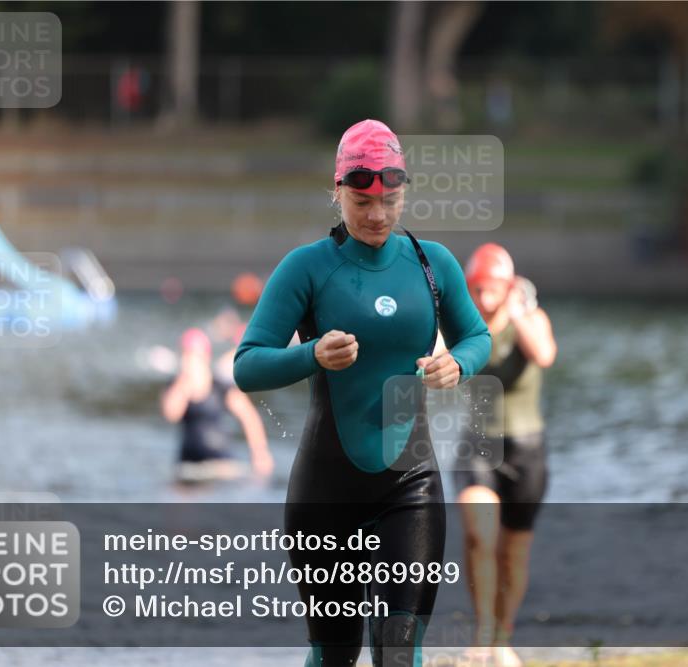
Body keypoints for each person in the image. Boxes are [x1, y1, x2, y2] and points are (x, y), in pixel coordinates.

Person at [233, 119, 491, 667]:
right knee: (336, 655)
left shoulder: (431, 264)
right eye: (361, 200)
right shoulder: (306, 268)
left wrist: (459, 364)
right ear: (338, 192)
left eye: (389, 200)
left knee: (399, 652)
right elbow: (247, 366)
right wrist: (311, 355)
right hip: (326, 492)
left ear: (402, 193)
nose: (376, 215)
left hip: (411, 484)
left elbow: (477, 336)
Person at [454, 243, 556, 667]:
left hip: (527, 449)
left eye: (492, 288)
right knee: (480, 535)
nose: (484, 297)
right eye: (476, 289)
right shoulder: (464, 327)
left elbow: (545, 355)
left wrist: (516, 312)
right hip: (478, 447)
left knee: (514, 552)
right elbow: (437, 349)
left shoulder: (530, 320)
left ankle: (502, 636)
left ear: (509, 286)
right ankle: (481, 635)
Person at [162, 328, 273, 482]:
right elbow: (171, 415)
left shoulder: (220, 386)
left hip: (220, 462)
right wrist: (183, 386)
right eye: (186, 355)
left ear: (205, 358)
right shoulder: (177, 386)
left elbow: (249, 417)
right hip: (188, 463)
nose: (190, 362)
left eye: (194, 356)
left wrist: (260, 453)